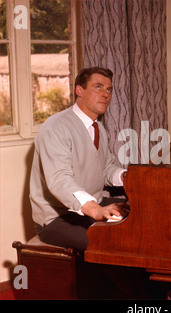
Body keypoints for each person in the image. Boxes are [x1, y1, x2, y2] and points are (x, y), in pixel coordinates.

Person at [30, 67, 127, 252]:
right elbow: (59, 179)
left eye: (108, 89)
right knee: (109, 245)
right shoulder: (56, 127)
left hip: (91, 206)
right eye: (98, 87)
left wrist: (127, 176)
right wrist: (95, 209)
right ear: (79, 90)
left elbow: (105, 168)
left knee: (141, 217)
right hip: (57, 218)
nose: (105, 94)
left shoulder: (98, 128)